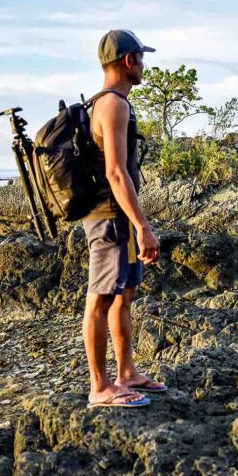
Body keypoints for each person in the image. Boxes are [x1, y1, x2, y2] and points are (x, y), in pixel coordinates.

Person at [82, 29, 166, 408]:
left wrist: (137, 224)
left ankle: (126, 373)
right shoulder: (112, 105)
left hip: (120, 216)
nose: (144, 66)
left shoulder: (112, 103)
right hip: (109, 217)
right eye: (141, 58)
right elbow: (116, 173)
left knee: (124, 293)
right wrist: (143, 226)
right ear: (129, 60)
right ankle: (100, 387)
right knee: (100, 299)